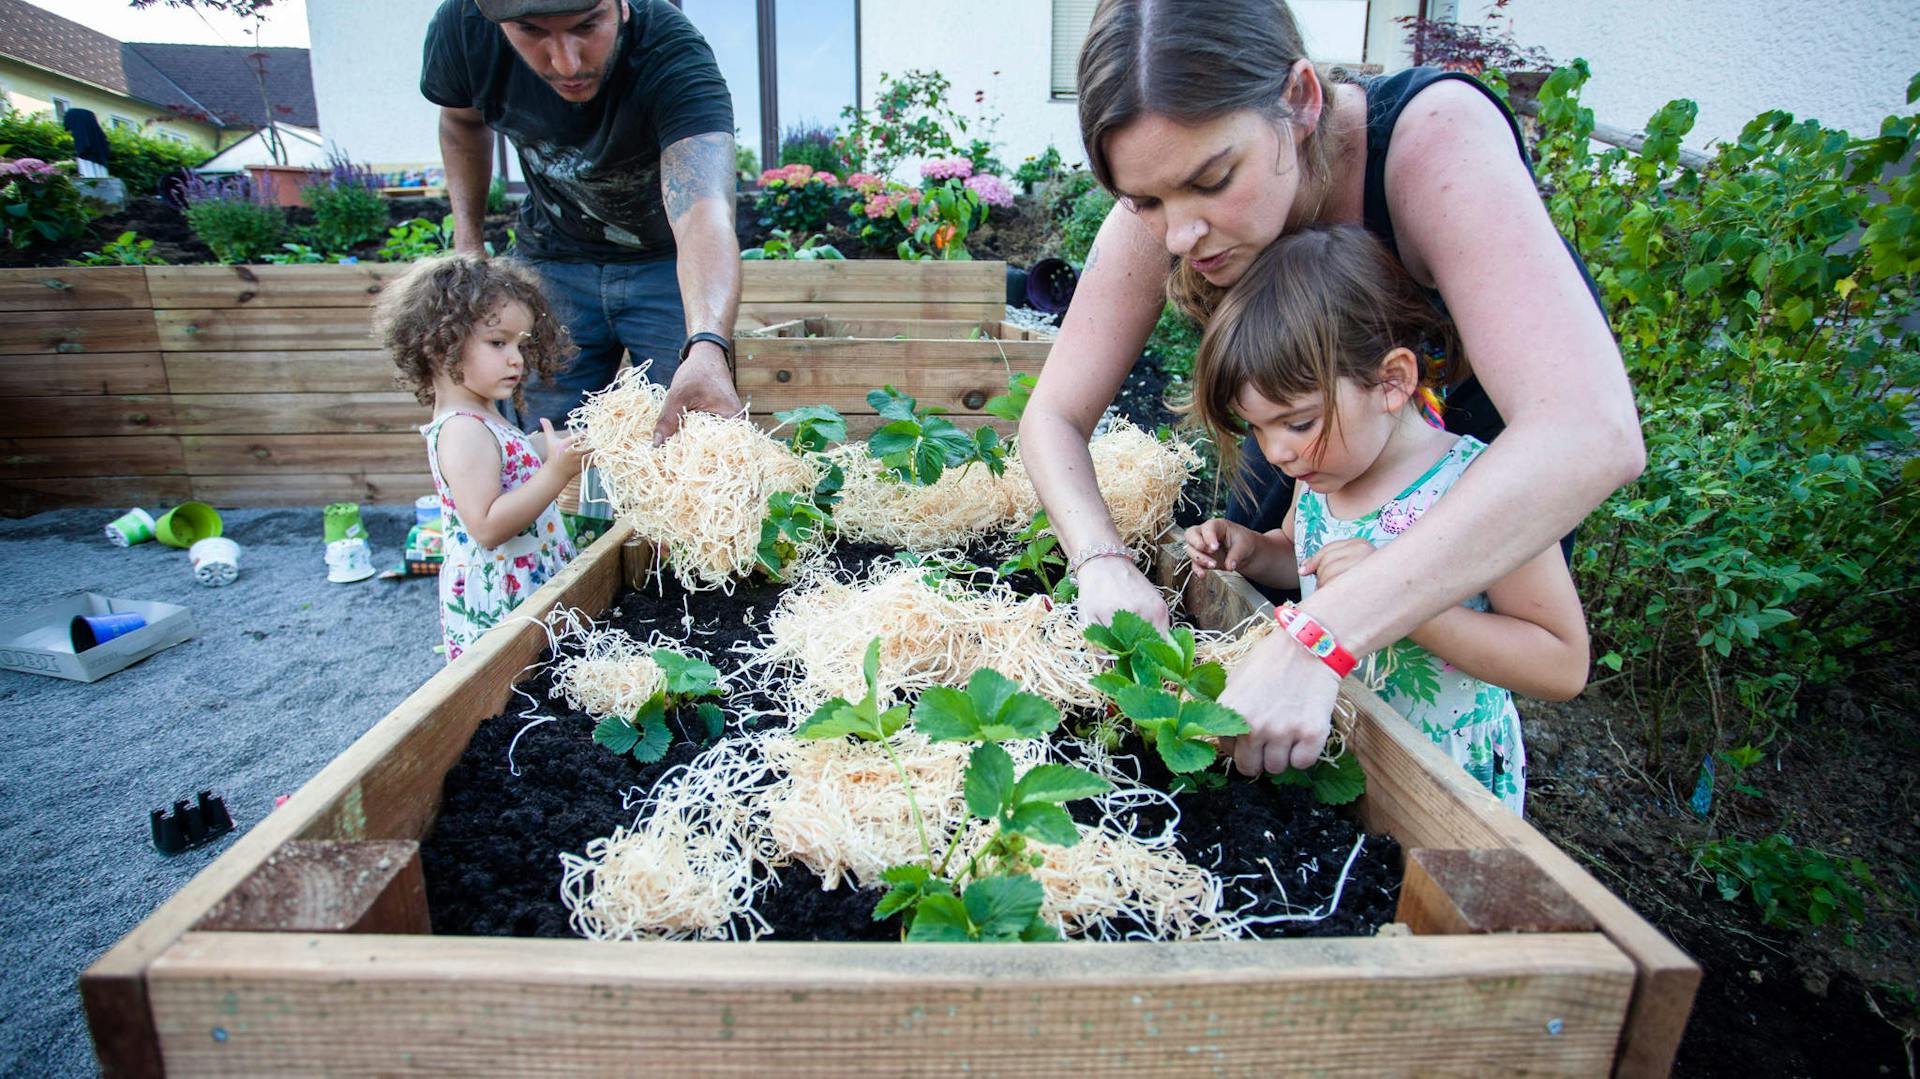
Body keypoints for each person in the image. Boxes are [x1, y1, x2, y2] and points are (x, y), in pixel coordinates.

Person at [1019, 0, 1643, 778]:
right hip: (1328, 427)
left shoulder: (1433, 139)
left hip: (1478, 459)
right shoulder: (1173, 197)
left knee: (1428, 711)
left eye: (1212, 180)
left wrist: (1320, 632)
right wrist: (1101, 561)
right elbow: (1052, 414)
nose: (1178, 237)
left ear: (1302, 101)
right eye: (1143, 202)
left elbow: (1589, 432)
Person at [1183, 226, 1589, 814]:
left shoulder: (1483, 490)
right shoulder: (1322, 474)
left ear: (1393, 381)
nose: (1276, 453)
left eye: (1297, 423)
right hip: (1339, 740)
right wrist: (1250, 548)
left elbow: (1560, 663)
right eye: (1257, 428)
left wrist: (1405, 604)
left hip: (1442, 776)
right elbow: (1300, 553)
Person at [422, 0, 743, 444]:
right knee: (539, 439)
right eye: (531, 32)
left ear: (623, 5)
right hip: (552, 260)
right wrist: (469, 251)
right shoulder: (464, 27)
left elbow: (704, 211)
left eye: (587, 26)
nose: (566, 62)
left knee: (694, 439)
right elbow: (460, 120)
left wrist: (707, 344)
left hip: (669, 265)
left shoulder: (671, 51)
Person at [377, 254, 583, 663]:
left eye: (521, 344)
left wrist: (575, 443)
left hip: (526, 581)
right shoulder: (461, 430)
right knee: (513, 685)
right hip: (502, 598)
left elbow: (518, 456)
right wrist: (559, 472)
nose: (516, 359)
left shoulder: (483, 414)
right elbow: (488, 526)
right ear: (441, 346)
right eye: (498, 343)